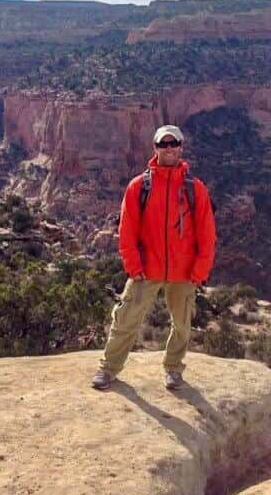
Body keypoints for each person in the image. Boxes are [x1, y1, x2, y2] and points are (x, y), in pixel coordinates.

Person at [91, 124, 216, 391]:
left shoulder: (195, 189)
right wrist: (133, 265)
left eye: (174, 144)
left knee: (182, 325)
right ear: (155, 148)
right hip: (147, 268)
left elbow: (207, 233)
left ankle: (173, 369)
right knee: (126, 319)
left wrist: (200, 270)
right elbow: (127, 230)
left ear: (181, 147)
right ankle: (109, 368)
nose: (169, 149)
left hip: (184, 271)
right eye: (164, 144)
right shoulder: (139, 186)